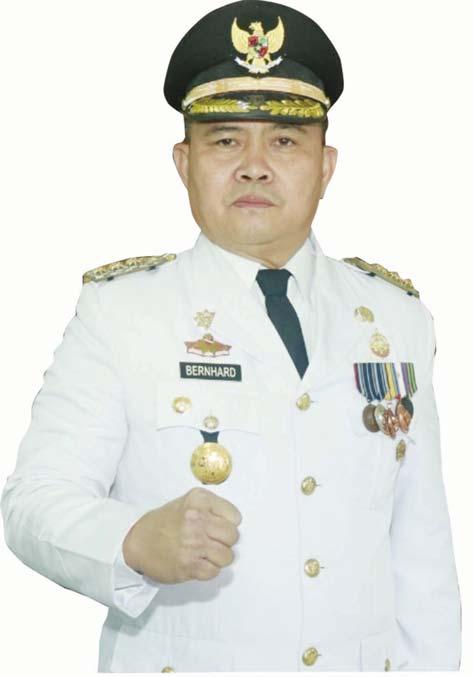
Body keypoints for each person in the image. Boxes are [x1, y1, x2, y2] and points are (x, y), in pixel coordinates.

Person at [1, 0, 462, 672]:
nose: (253, 166)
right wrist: (131, 539)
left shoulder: (394, 318)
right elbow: (34, 501)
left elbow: (420, 552)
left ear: (326, 165)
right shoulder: (122, 312)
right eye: (224, 141)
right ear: (183, 162)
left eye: (284, 141)